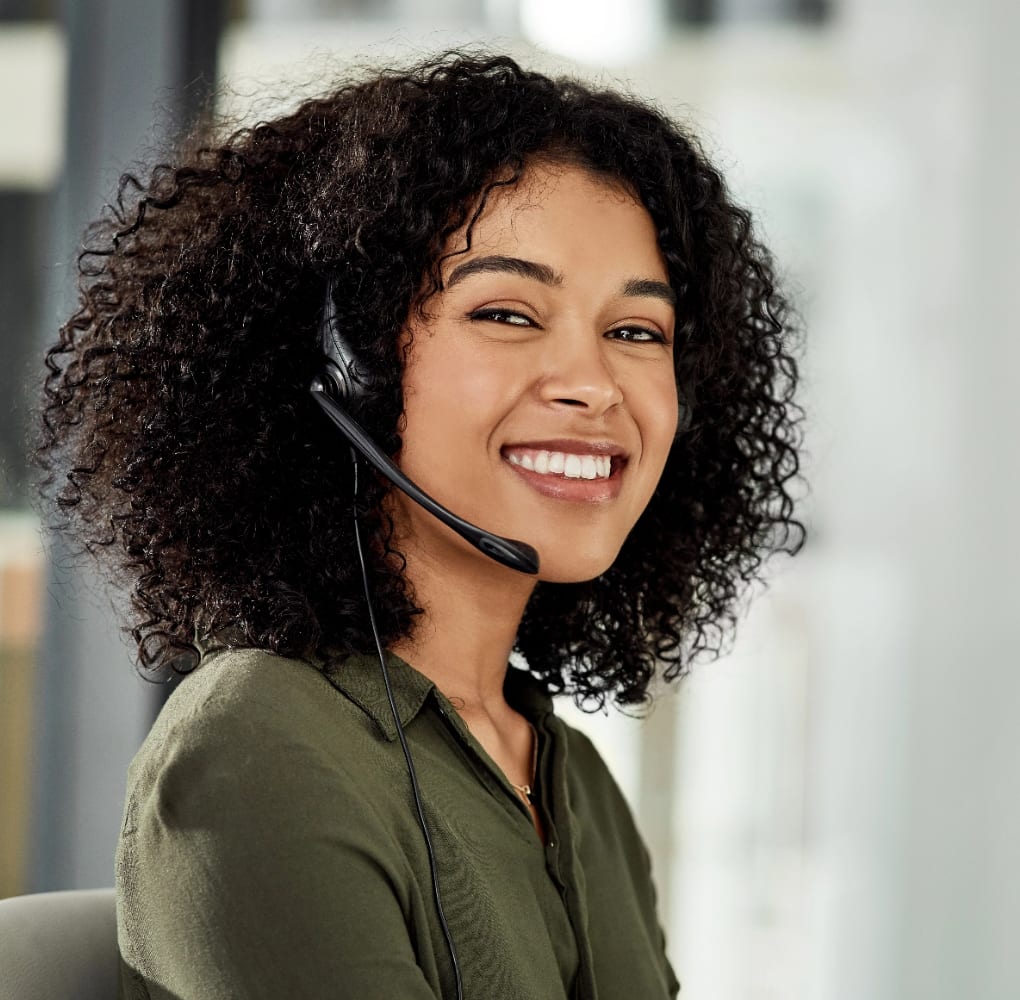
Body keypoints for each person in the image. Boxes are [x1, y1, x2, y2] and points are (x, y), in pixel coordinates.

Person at [36, 51, 804, 1000]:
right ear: (349, 371)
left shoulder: (574, 785)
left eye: (636, 332)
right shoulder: (258, 748)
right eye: (509, 313)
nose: (595, 384)